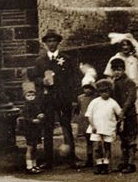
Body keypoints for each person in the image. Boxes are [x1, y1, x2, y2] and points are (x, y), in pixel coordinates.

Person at [29, 30, 81, 168]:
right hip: (47, 99)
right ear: (45, 43)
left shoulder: (67, 59)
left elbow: (74, 79)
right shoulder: (40, 61)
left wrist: (73, 97)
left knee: (66, 127)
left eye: (54, 41)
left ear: (58, 42)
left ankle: (71, 158)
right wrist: (43, 81)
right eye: (49, 41)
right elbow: (34, 78)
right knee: (47, 128)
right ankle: (48, 160)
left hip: (63, 98)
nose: (51, 44)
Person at [104, 33, 138, 115]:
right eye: (123, 45)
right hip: (121, 89)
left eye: (128, 45)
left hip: (136, 88)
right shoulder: (115, 58)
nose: (126, 47)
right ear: (120, 46)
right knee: (122, 110)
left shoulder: (134, 58)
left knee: (134, 112)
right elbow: (108, 75)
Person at [85, 79, 122, 175]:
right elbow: (89, 115)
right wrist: (92, 125)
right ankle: (98, 165)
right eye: (102, 92)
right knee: (97, 147)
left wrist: (119, 124)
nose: (104, 94)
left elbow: (120, 114)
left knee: (107, 147)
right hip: (96, 128)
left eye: (107, 91)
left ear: (110, 91)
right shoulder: (94, 102)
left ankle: (106, 166)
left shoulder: (113, 102)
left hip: (108, 128)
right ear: (99, 92)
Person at [109, 57, 138, 174]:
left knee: (131, 139)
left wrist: (123, 111)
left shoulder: (129, 82)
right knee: (123, 139)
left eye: (120, 69)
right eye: (115, 69)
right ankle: (124, 161)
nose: (117, 72)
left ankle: (131, 163)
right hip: (119, 115)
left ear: (124, 70)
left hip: (129, 114)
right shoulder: (113, 83)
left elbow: (131, 98)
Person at [20, 78, 45, 174]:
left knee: (35, 147)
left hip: (36, 129)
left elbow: (39, 113)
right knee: (30, 147)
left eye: (32, 95)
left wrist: (41, 115)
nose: (31, 97)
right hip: (29, 128)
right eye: (28, 95)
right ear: (25, 96)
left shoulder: (36, 104)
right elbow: (26, 117)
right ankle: (29, 166)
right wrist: (32, 120)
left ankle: (35, 165)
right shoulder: (26, 106)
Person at [75, 82, 97, 167]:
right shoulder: (80, 98)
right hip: (84, 121)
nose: (87, 90)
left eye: (89, 88)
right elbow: (78, 109)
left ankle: (100, 159)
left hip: (93, 120)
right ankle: (89, 159)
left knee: (95, 139)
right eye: (85, 88)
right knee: (88, 140)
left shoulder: (95, 98)